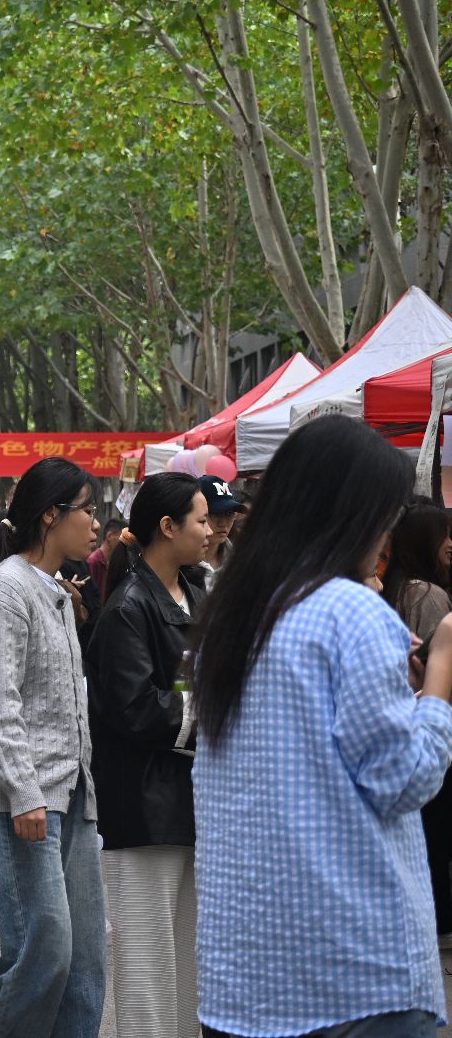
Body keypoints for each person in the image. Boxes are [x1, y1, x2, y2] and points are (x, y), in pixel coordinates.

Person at [192, 416, 452, 1038]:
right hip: (353, 975)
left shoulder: (230, 616)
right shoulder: (352, 612)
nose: (385, 537)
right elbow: (400, 778)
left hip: (243, 978)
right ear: (353, 516)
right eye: (385, 518)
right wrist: (441, 674)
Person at [0, 457, 105, 1036]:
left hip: (68, 795)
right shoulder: (6, 592)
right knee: (40, 956)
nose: (96, 524)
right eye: (87, 510)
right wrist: (23, 793)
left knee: (85, 964)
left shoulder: (55, 592)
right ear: (50, 514)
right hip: (17, 804)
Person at [86, 473, 210, 1038]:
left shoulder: (198, 595)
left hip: (192, 800)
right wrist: (211, 705)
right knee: (147, 963)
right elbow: (136, 709)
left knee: (190, 961)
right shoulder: (128, 608)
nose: (210, 531)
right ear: (168, 527)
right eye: (201, 520)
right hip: (141, 806)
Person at [383, 503, 452, 949]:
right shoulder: (428, 595)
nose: (450, 543)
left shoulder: (394, 587)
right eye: (444, 534)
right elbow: (431, 675)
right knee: (436, 829)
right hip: (426, 725)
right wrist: (442, 660)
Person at [194, 475, 244, 592]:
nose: (223, 523)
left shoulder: (240, 559)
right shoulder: (179, 565)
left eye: (229, 514)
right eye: (215, 514)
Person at [86, 518, 124, 599]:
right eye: (122, 538)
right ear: (110, 536)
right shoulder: (93, 561)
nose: (124, 543)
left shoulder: (112, 562)